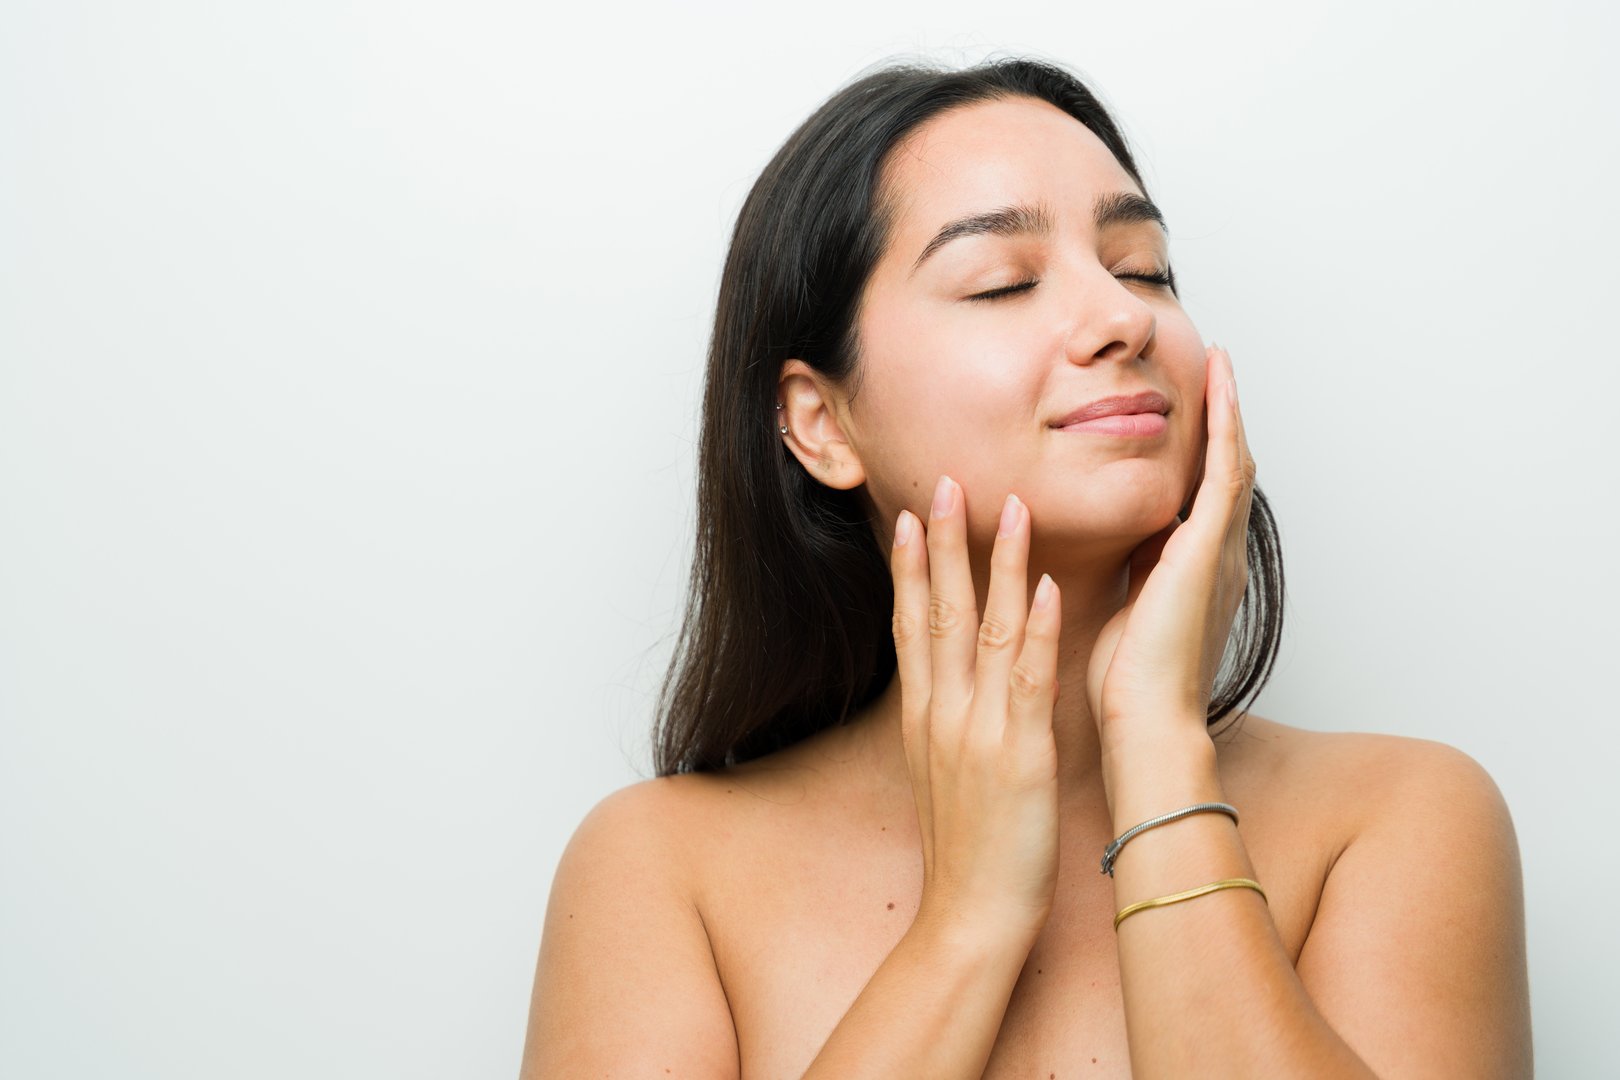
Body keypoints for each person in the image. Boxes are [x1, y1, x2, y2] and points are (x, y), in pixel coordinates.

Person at [520, 56, 1532, 1077]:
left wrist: (1159, 755)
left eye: (1144, 269)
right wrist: (968, 920)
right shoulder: (660, 872)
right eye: (1004, 281)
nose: (1125, 320)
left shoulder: (1402, 820)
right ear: (821, 424)